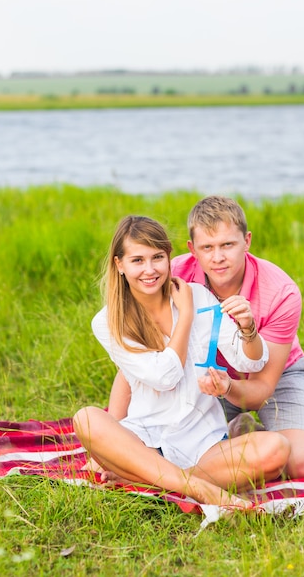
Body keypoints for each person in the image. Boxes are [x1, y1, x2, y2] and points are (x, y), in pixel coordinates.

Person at [74, 215, 290, 507]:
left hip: (202, 444)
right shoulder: (108, 321)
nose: (149, 270)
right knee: (86, 418)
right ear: (119, 265)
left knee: (275, 448)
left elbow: (251, 362)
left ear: (169, 258)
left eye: (157, 258)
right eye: (137, 260)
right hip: (143, 440)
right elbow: (165, 377)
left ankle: (156, 480)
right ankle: (201, 490)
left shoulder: (200, 296)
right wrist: (185, 316)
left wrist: (249, 329)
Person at [169, 195, 304, 478]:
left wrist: (228, 388)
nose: (218, 257)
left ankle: (233, 440)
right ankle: (236, 438)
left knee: (300, 462)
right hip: (197, 374)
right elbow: (141, 352)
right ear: (192, 249)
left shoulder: (281, 292)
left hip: (275, 375)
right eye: (207, 247)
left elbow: (262, 389)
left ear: (247, 241)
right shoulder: (174, 274)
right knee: (156, 442)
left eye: (228, 244)